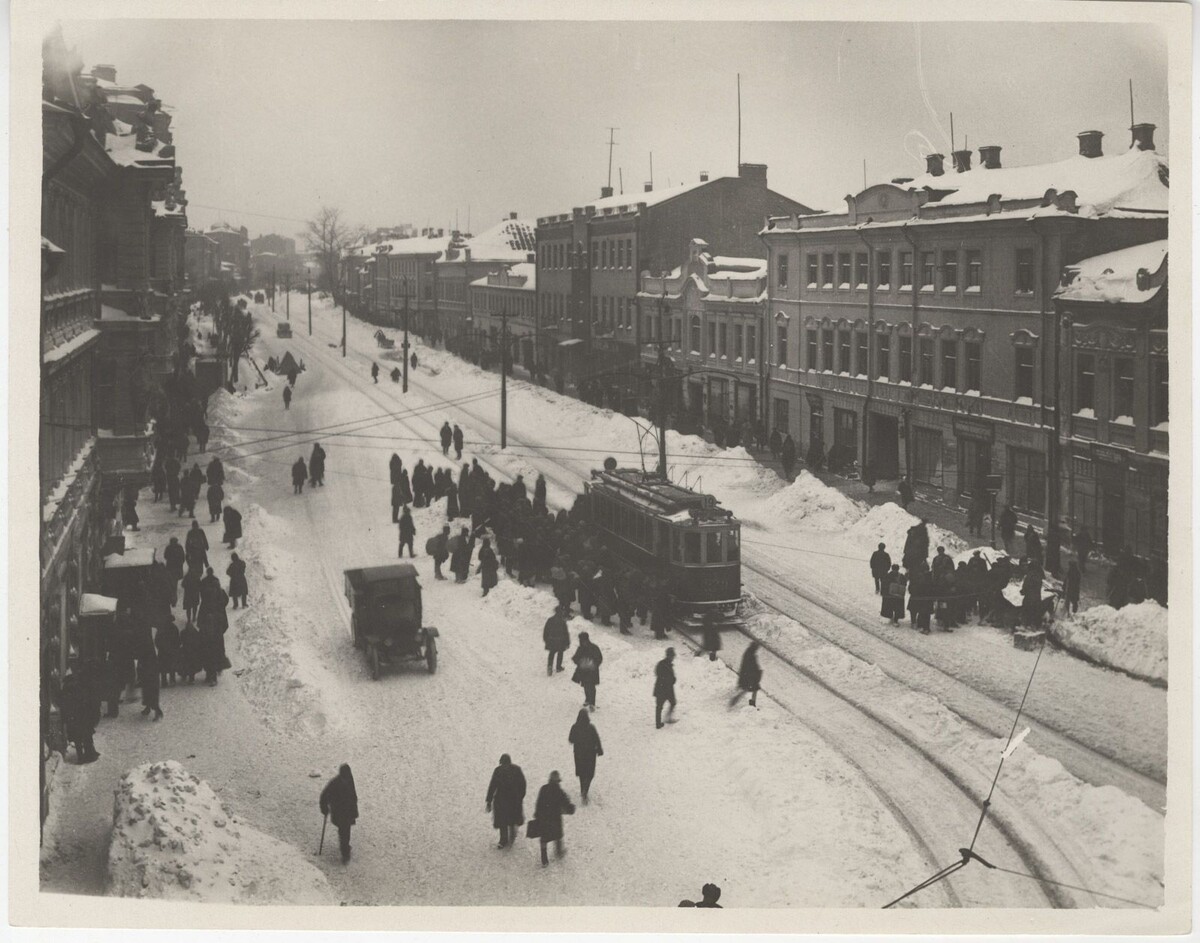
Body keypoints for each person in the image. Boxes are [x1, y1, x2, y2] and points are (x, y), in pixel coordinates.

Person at [533, 771, 575, 867]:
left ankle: (544, 860)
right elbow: (566, 803)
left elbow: (539, 803)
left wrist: (537, 814)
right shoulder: (559, 791)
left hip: (544, 818)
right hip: (555, 819)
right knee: (558, 835)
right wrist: (571, 808)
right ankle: (559, 852)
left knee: (544, 838)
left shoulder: (543, 789)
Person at [485, 753, 527, 850]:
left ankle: (511, 835)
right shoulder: (498, 771)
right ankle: (503, 840)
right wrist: (489, 800)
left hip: (513, 799)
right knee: (502, 821)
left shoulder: (516, 770)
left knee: (511, 819)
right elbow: (493, 786)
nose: (503, 766)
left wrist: (520, 796)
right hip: (501, 800)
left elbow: (522, 784)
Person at [319, 764, 359, 864]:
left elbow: (353, 795)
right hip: (340, 813)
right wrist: (324, 808)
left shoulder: (348, 779)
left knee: (345, 831)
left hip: (347, 812)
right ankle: (345, 852)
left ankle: (345, 848)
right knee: (344, 832)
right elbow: (324, 796)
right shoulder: (335, 783)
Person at [61, 668, 101, 763]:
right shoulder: (80, 685)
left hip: (74, 716)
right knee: (87, 735)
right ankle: (90, 754)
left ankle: (81, 757)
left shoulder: (67, 687)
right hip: (83, 715)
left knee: (77, 738)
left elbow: (65, 703)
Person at [568, 708, 603, 804]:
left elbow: (571, 739)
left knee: (582, 773)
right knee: (590, 773)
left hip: (579, 754)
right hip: (590, 754)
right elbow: (597, 739)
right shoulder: (591, 727)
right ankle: (585, 790)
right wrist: (600, 750)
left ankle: (583, 789)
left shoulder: (575, 727)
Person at [571, 632, 602, 710]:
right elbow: (575, 658)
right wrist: (581, 662)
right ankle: (588, 700)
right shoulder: (589, 648)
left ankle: (592, 702)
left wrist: (593, 664)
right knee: (585, 685)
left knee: (591, 686)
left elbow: (599, 658)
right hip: (586, 670)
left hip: (591, 670)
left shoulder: (592, 648)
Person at [730, 641, 762, 708]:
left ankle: (736, 700)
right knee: (749, 689)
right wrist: (758, 671)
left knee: (746, 689)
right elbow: (753, 665)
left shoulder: (747, 653)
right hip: (750, 677)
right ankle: (736, 701)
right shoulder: (752, 656)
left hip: (746, 675)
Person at [654, 646, 677, 728]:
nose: (673, 657)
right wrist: (671, 680)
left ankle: (667, 718)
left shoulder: (665, 664)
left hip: (666, 689)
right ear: (669, 656)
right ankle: (658, 723)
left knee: (673, 703)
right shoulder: (663, 664)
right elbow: (660, 675)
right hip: (662, 689)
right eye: (673, 656)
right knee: (659, 706)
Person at [543, 606, 570, 676]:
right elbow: (565, 633)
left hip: (551, 640)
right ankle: (558, 667)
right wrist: (567, 642)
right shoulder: (562, 621)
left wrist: (546, 639)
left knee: (551, 653)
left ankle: (549, 666)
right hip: (560, 640)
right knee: (560, 653)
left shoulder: (550, 620)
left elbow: (546, 631)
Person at [156, 618, 181, 687]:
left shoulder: (161, 628)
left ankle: (164, 681)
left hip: (163, 651)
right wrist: (176, 648)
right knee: (171, 666)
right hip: (171, 651)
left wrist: (160, 647)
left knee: (163, 667)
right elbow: (178, 639)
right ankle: (172, 680)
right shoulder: (174, 628)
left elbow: (157, 640)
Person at [140, 651, 163, 721]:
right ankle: (148, 706)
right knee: (146, 686)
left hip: (150, 663)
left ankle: (157, 710)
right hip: (147, 661)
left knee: (151, 687)